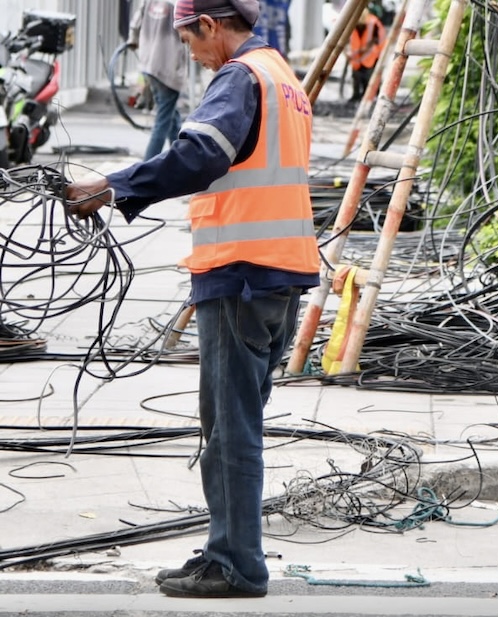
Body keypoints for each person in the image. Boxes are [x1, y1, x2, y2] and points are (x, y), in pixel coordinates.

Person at [66, 0, 320, 599]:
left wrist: (113, 187)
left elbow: (202, 154)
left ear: (210, 25)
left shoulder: (238, 77)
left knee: (231, 429)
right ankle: (225, 548)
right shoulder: (281, 76)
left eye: (189, 41)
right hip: (277, 273)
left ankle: (237, 566)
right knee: (235, 424)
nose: (192, 55)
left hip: (242, 273)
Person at [127, 0, 190, 160]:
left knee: (170, 115)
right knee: (163, 119)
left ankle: (180, 159)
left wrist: (133, 41)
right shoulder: (179, 3)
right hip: (169, 67)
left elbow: (135, 24)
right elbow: (190, 30)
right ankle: (147, 167)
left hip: (149, 65)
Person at [345, 6, 385, 103]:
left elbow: (377, 39)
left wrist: (365, 48)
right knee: (356, 75)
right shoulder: (352, 24)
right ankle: (356, 95)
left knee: (369, 76)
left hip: (371, 54)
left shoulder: (373, 23)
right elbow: (346, 40)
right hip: (357, 55)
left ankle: (371, 96)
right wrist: (347, 53)